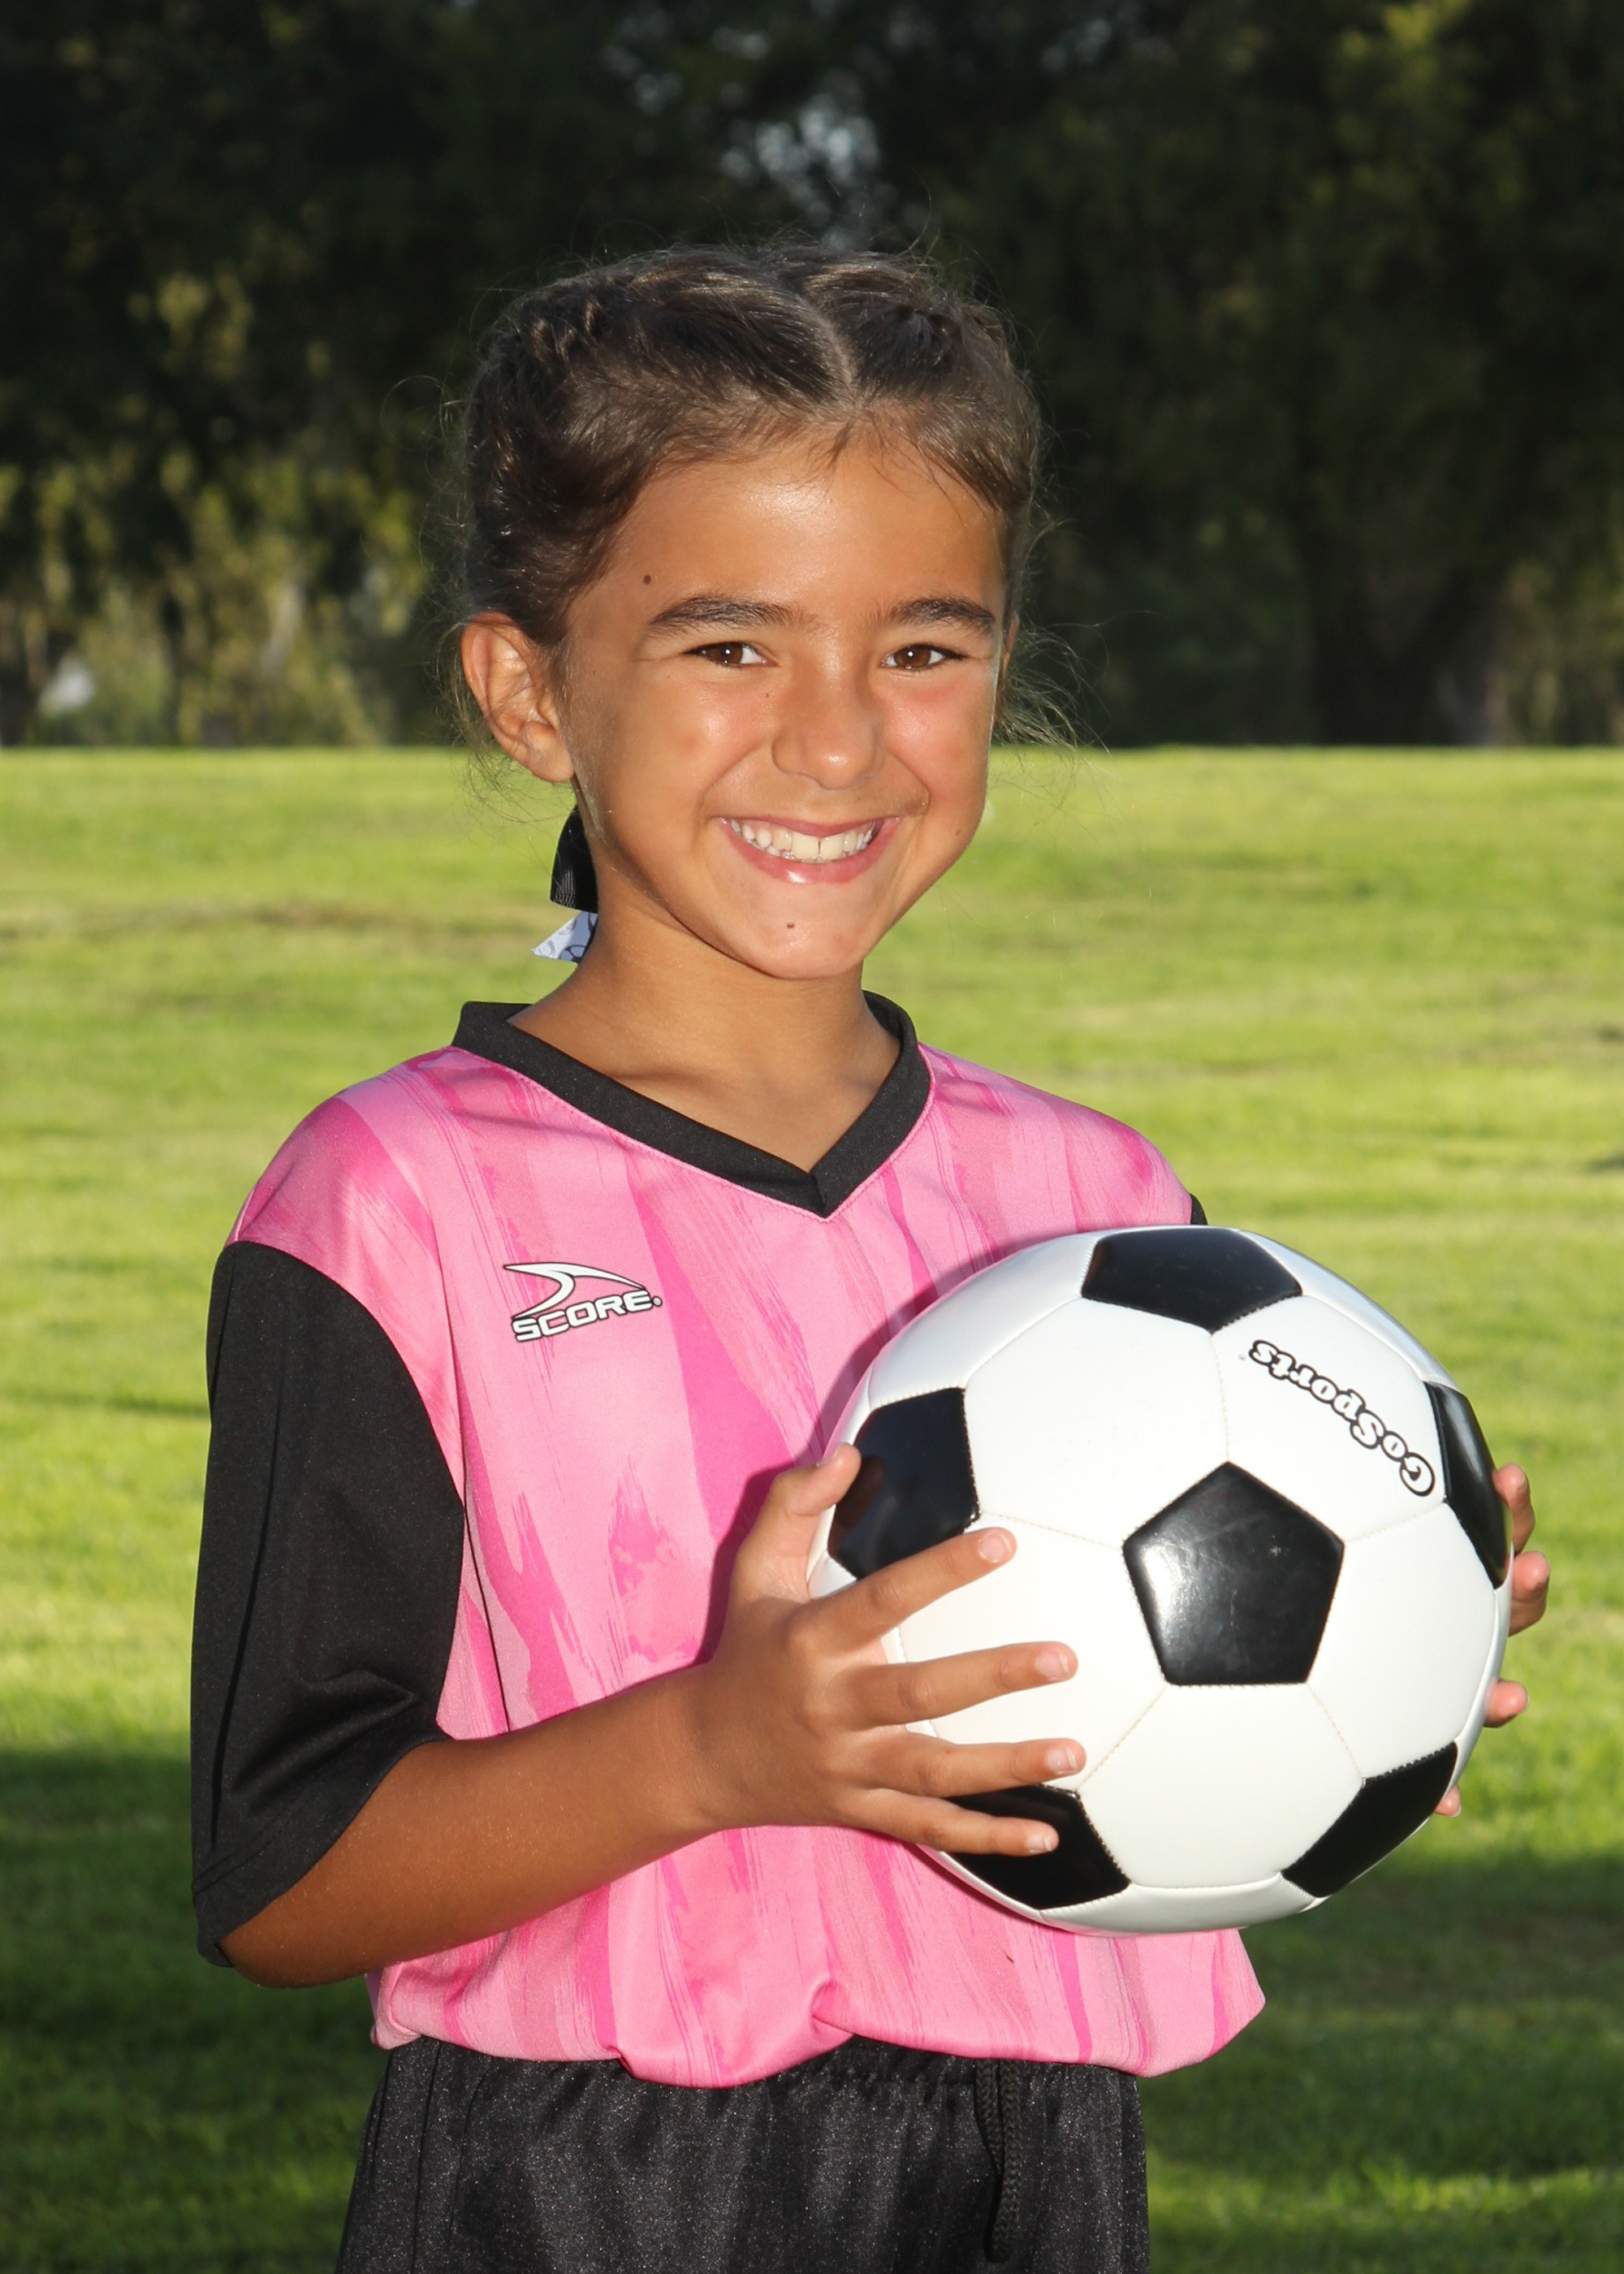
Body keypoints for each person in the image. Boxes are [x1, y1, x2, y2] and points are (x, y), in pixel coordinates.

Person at [189, 246, 1550, 2274]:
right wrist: (714, 1750)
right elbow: (280, 1874)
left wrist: (1380, 1632)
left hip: (1034, 2176)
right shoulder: (397, 1203)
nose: (834, 742)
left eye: (921, 647)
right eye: (731, 644)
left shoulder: (1094, 1201)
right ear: (531, 692)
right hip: (584, 2187)